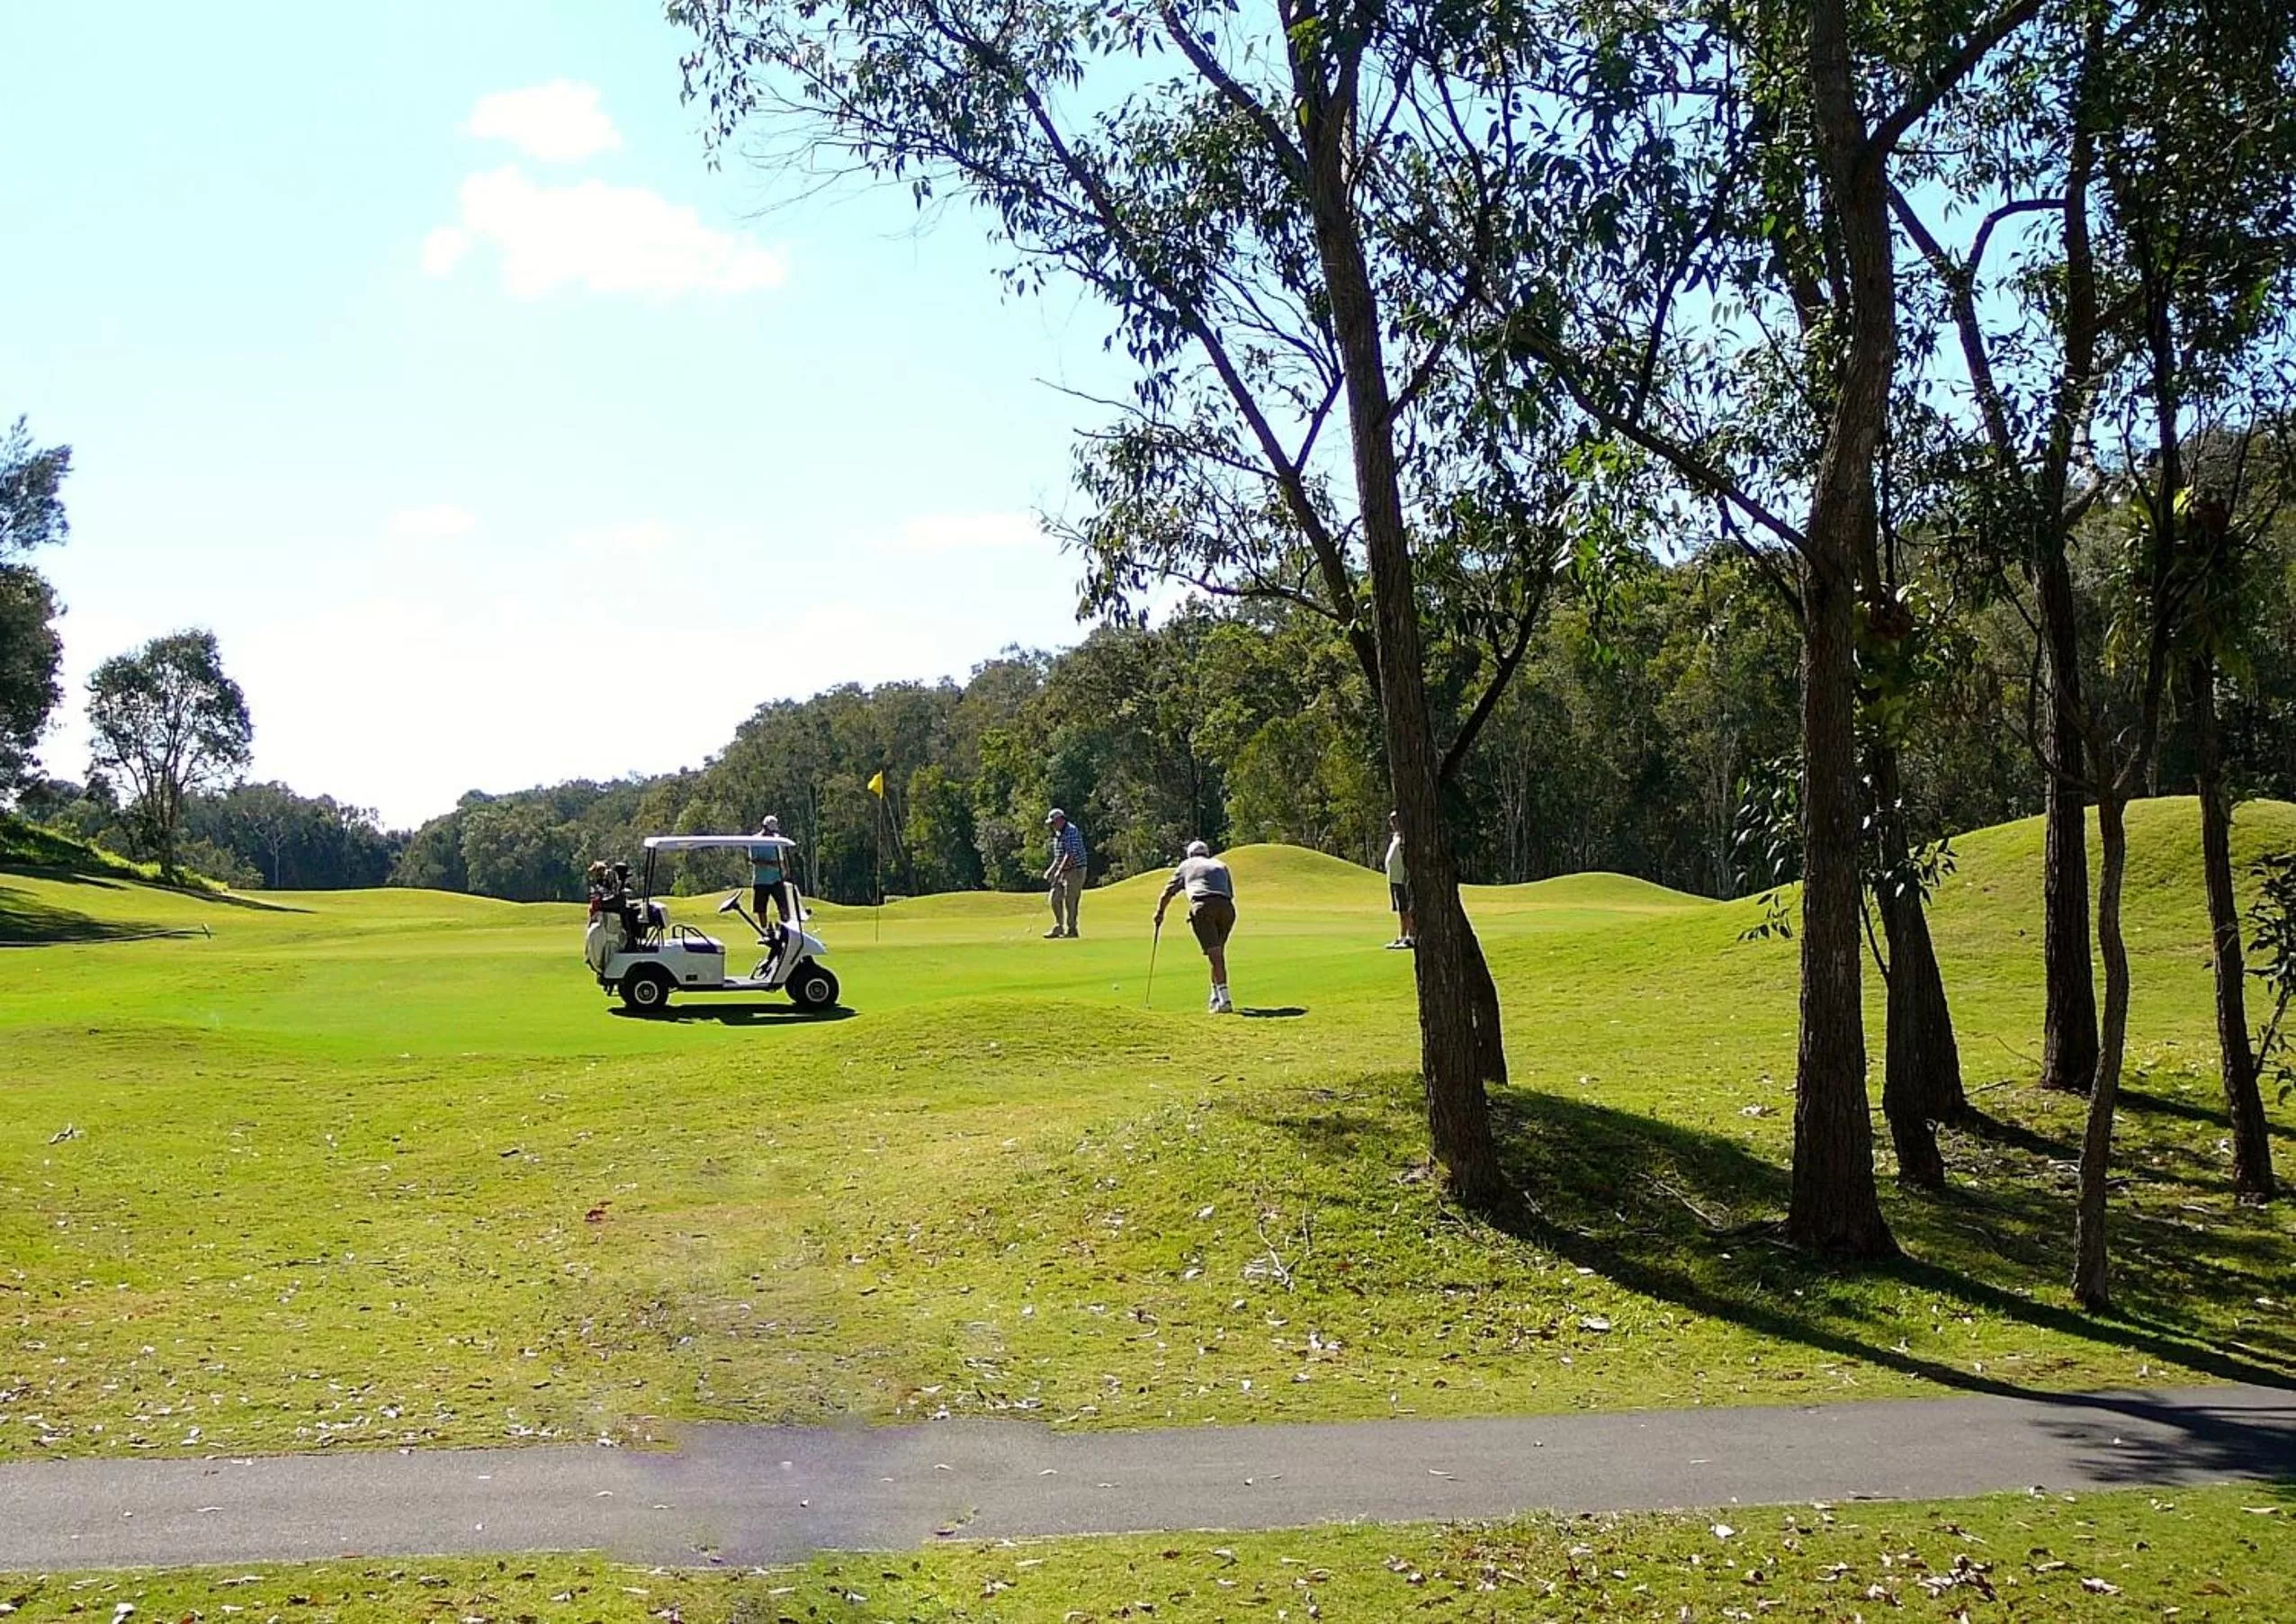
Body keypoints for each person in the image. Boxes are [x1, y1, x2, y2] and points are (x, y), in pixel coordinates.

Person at [1156, 839, 1236, 1013]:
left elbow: (1167, 893)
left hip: (1203, 907)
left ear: (1190, 854)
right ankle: (1215, 997)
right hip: (1227, 909)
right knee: (1217, 954)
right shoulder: (1221, 865)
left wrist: (1160, 913)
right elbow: (1229, 893)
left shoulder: (1186, 865)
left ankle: (1225, 1000)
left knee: (1215, 955)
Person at [749, 817, 799, 940]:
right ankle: (765, 932)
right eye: (770, 830)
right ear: (764, 827)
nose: (772, 833)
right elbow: (754, 860)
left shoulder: (777, 839)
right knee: (761, 909)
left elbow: (781, 859)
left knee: (784, 906)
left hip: (777, 878)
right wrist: (771, 864)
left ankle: (787, 930)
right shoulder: (755, 840)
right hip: (761, 880)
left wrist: (784, 870)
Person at [1043, 807, 1087, 938]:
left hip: (1076, 870)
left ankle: (1072, 930)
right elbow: (1059, 857)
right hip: (1064, 869)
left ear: (1061, 820)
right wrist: (1050, 871)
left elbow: (1070, 855)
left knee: (1070, 899)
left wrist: (1059, 871)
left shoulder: (1071, 831)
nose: (1052, 826)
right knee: (1055, 897)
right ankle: (1058, 927)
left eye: (1053, 823)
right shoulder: (1058, 835)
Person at [1384, 810, 1414, 949]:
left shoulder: (1405, 837)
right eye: (1392, 820)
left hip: (1403, 878)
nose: (1393, 823)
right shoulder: (1395, 837)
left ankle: (1410, 937)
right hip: (1394, 878)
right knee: (1401, 909)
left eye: (1395, 820)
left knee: (1406, 909)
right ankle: (1402, 936)